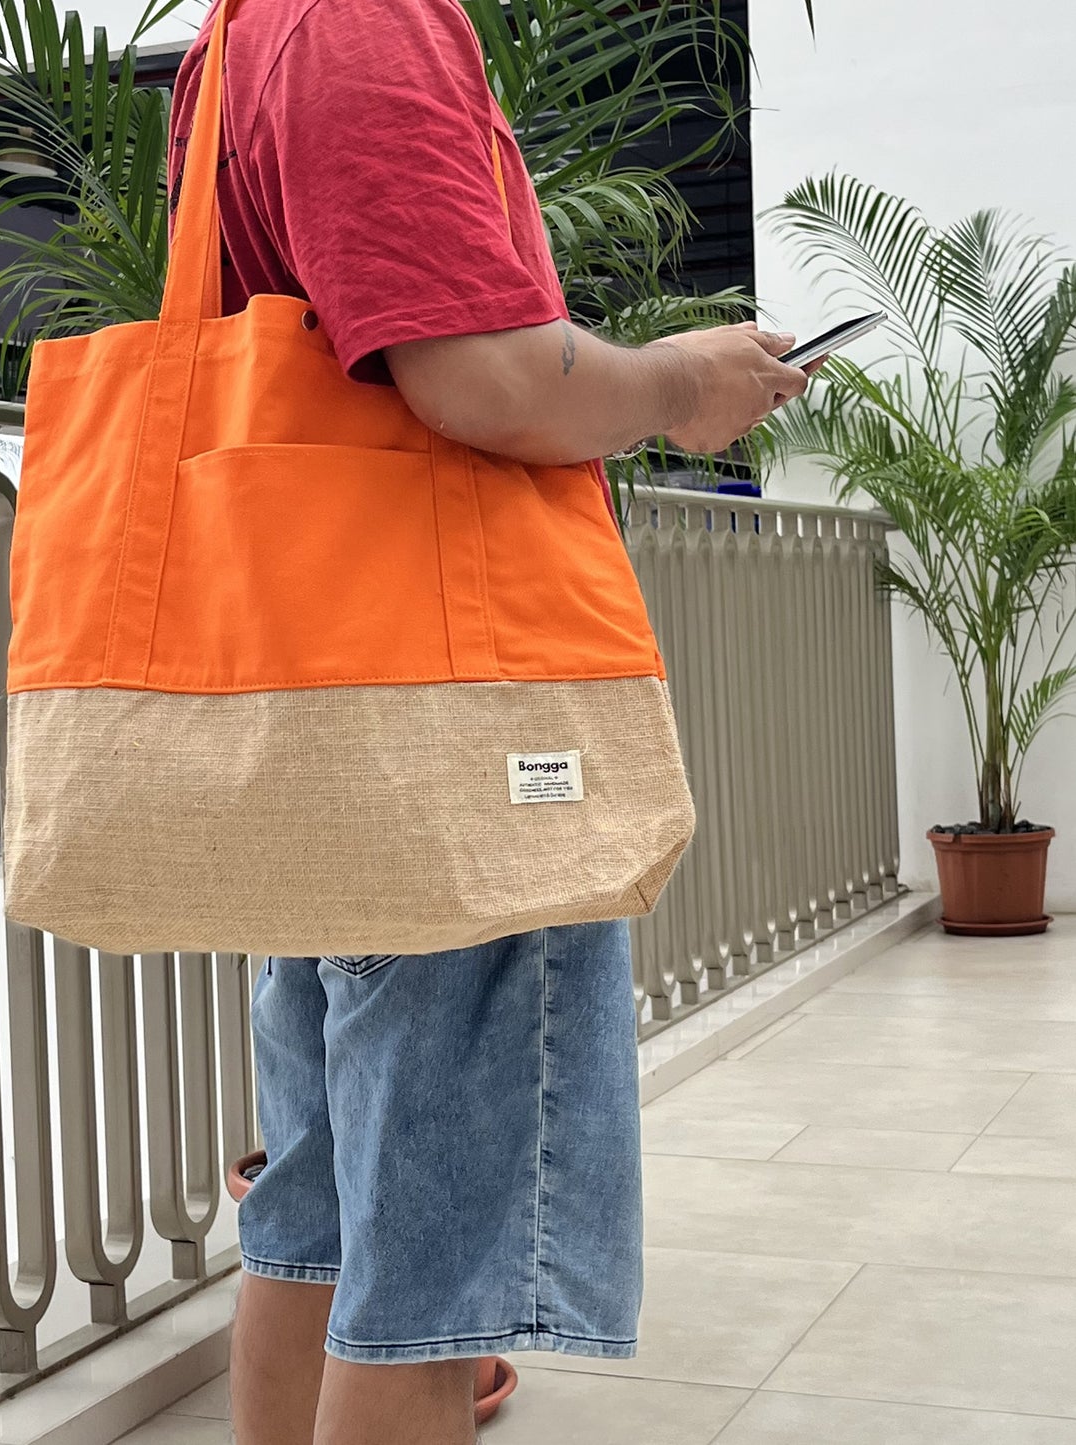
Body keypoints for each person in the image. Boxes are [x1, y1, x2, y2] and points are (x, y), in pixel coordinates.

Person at [168, 2, 808, 1442]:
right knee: (432, 1257)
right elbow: (479, 377)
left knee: (323, 1212)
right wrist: (678, 387)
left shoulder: (244, 32)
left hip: (331, 704)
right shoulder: (361, 20)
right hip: (443, 718)